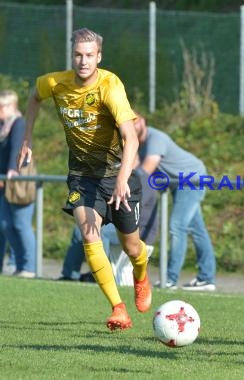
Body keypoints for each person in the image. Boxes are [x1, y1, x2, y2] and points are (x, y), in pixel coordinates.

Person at [18, 28, 151, 331]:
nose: (83, 60)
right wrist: (27, 137)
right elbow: (34, 96)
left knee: (132, 248)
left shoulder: (110, 86)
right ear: (72, 55)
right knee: (89, 234)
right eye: (78, 54)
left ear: (99, 57)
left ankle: (141, 274)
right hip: (82, 178)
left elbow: (131, 138)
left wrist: (123, 178)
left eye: (89, 55)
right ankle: (118, 309)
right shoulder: (55, 82)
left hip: (118, 177)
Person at [133, 113, 217, 291]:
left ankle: (169, 279)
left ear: (142, 122)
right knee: (197, 229)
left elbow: (146, 169)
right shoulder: (136, 143)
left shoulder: (155, 138)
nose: (131, 125)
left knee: (176, 226)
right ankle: (207, 278)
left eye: (134, 121)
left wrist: (124, 182)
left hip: (192, 179)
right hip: (177, 184)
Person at [59, 166, 158, 284]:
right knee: (81, 229)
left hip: (139, 228)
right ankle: (70, 275)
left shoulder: (140, 178)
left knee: (101, 232)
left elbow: (127, 207)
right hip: (113, 219)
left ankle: (98, 275)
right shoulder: (109, 173)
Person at [0, 89, 36, 278]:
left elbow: (17, 148)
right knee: (6, 224)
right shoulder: (3, 125)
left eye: (2, 106)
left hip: (18, 183)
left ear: (12, 106)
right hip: (5, 183)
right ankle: (20, 265)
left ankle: (29, 267)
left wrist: (10, 172)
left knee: (21, 224)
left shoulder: (18, 123)